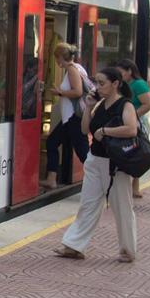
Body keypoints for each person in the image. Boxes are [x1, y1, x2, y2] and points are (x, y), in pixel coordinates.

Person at [52, 67, 140, 262]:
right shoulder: (98, 104)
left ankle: (128, 249)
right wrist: (89, 106)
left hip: (117, 164)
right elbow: (85, 129)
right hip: (95, 160)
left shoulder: (125, 105)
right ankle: (74, 246)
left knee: (121, 206)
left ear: (115, 84)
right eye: (97, 83)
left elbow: (131, 129)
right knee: (88, 203)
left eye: (102, 83)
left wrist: (106, 131)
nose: (98, 87)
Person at [40, 43, 90, 190]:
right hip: (69, 119)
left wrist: (59, 92)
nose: (56, 61)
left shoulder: (72, 69)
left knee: (83, 152)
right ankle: (51, 179)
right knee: (52, 143)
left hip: (74, 118)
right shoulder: (78, 68)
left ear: (61, 57)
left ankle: (99, 181)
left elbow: (78, 92)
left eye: (56, 58)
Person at [115, 59, 150, 198]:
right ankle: (131, 187)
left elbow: (148, 104)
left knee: (135, 151)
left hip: (136, 122)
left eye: (121, 72)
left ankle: (134, 187)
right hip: (127, 121)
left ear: (129, 71)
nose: (119, 75)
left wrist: (131, 116)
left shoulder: (138, 84)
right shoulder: (124, 84)